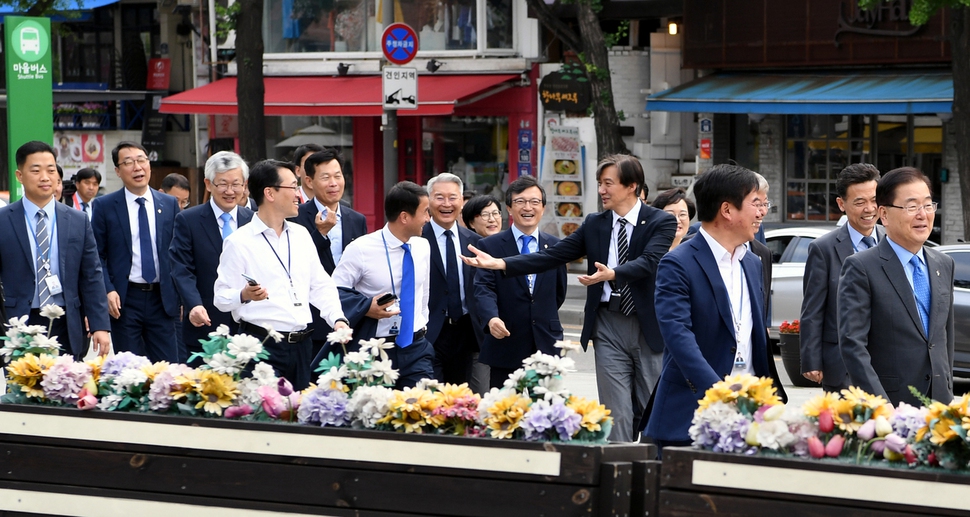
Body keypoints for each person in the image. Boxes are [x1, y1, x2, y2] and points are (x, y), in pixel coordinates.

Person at [464, 155, 677, 442]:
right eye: (600, 183)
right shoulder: (595, 223)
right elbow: (552, 255)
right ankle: (621, 467)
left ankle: (654, 466)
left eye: (608, 183)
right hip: (606, 323)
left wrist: (612, 274)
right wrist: (503, 264)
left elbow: (650, 261)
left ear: (632, 186)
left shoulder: (660, 221)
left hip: (647, 325)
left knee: (650, 404)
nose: (601, 190)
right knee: (616, 410)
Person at [644, 164, 772, 451]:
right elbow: (678, 337)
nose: (763, 212)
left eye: (765, 204)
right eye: (756, 204)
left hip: (750, 414)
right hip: (691, 414)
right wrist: (719, 393)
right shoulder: (678, 263)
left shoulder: (752, 262)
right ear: (727, 210)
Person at [213, 160, 349, 389]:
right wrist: (244, 294)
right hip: (261, 345)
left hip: (302, 346)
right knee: (264, 417)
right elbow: (220, 297)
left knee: (299, 417)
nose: (298, 194)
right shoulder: (238, 242)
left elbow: (320, 285)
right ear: (270, 193)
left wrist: (337, 318)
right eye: (292, 187)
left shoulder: (301, 234)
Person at [839, 167, 954, 406]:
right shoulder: (861, 267)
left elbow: (943, 339)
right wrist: (882, 408)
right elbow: (853, 345)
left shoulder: (944, 263)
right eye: (912, 207)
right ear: (885, 214)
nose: (923, 214)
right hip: (890, 407)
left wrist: (947, 393)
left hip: (939, 407)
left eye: (928, 205)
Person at [0, 141, 111, 358]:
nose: (45, 177)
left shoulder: (78, 220)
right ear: (19, 175)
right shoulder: (4, 220)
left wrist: (100, 325)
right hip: (19, 323)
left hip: (66, 323)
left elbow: (91, 275)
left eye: (51, 170)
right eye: (36, 170)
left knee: (67, 388)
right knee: (23, 390)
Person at [332, 181, 434, 388]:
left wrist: (422, 324)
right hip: (376, 348)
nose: (428, 219)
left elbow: (423, 293)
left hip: (416, 346)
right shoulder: (360, 249)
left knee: (422, 410)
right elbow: (333, 292)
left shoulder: (423, 246)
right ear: (405, 217)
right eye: (425, 212)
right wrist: (365, 307)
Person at [475, 176, 567, 388]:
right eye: (520, 202)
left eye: (534, 202)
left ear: (543, 208)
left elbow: (558, 293)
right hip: (506, 341)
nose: (528, 207)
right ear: (509, 208)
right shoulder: (490, 245)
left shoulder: (556, 246)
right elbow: (483, 288)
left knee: (546, 412)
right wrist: (491, 318)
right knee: (505, 415)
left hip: (546, 343)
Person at [92, 141, 180, 362]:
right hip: (125, 299)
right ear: (118, 171)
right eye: (128, 162)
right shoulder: (105, 206)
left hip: (163, 298)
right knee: (130, 372)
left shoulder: (169, 204)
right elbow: (96, 255)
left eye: (141, 160)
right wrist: (108, 289)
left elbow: (179, 253)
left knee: (167, 370)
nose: (137, 167)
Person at [801, 163, 882, 391]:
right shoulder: (823, 249)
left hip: (886, 361)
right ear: (841, 204)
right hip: (841, 363)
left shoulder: (893, 242)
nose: (869, 209)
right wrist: (811, 360)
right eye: (859, 202)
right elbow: (813, 308)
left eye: (874, 200)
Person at [170, 151, 255, 364]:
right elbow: (182, 269)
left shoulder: (254, 221)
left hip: (249, 325)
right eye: (222, 184)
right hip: (205, 321)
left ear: (244, 185)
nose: (230, 191)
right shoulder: (188, 220)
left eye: (236, 184)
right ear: (208, 184)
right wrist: (194, 304)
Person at [290, 148, 367, 356]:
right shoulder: (295, 218)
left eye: (338, 176)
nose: (334, 183)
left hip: (350, 320)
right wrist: (320, 234)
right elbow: (293, 264)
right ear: (309, 181)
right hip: (312, 321)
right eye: (325, 177)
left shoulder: (356, 219)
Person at [422, 173, 482, 385]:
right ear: (428, 200)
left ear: (461, 201)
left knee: (460, 401)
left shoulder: (475, 242)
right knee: (431, 398)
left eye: (452, 197)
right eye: (439, 197)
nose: (446, 204)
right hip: (429, 332)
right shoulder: (416, 239)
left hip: (465, 332)